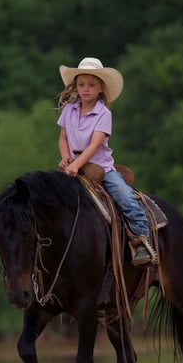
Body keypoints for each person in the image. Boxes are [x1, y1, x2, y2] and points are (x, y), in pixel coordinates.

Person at [56, 57, 156, 266]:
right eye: (82, 84)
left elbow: (94, 145)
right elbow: (63, 137)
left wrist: (76, 164)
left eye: (91, 85)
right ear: (75, 86)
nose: (86, 89)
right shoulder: (69, 110)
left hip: (100, 167)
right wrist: (66, 157)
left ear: (101, 88)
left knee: (124, 196)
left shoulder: (103, 113)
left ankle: (141, 240)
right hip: (73, 167)